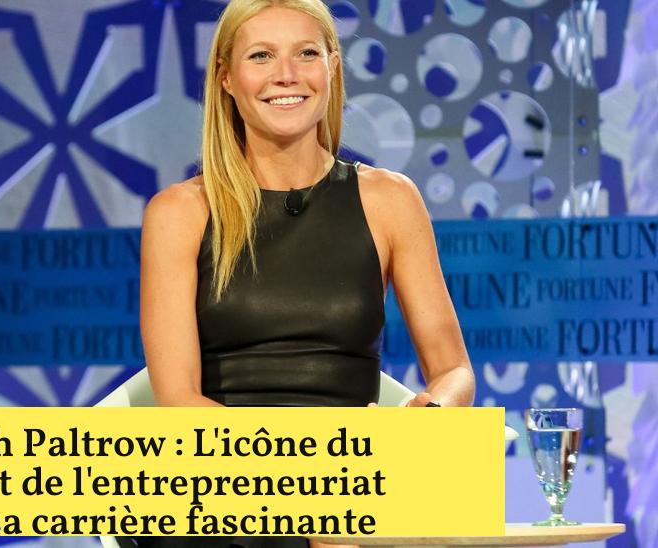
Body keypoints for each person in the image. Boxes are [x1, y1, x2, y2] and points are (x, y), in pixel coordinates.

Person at [122, 0, 476, 546]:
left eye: (306, 53)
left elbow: (453, 370)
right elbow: (179, 401)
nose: (286, 74)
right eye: (261, 56)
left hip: (357, 481)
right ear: (226, 78)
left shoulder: (390, 200)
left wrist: (429, 416)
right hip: (221, 482)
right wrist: (309, 482)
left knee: (445, 500)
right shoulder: (180, 212)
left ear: (331, 67)